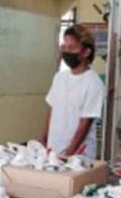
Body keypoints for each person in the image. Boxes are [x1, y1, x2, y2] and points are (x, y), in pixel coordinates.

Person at [40, 24, 104, 159]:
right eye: (64, 47)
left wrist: (69, 154)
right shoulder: (60, 78)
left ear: (86, 52)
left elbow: (85, 124)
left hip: (78, 155)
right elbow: (52, 110)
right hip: (53, 150)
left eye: (72, 48)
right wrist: (42, 140)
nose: (66, 51)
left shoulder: (93, 83)